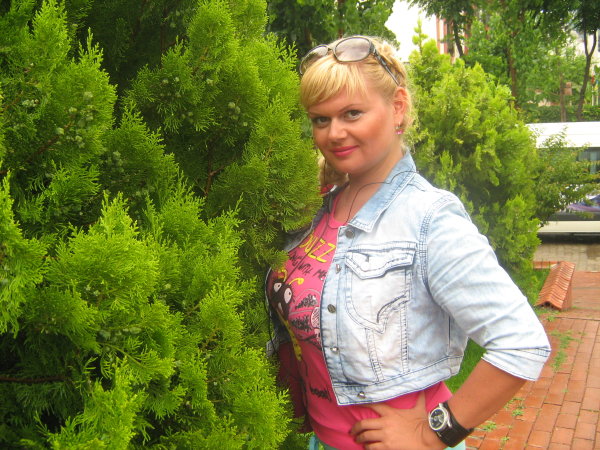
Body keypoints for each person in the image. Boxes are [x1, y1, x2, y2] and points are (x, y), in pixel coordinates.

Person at [265, 35, 551, 450]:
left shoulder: (428, 218)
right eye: (320, 120)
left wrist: (435, 432)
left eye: (352, 113)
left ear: (397, 107)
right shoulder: (319, 210)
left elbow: (521, 341)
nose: (334, 133)